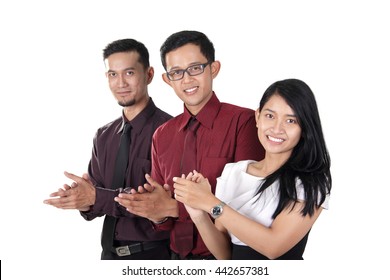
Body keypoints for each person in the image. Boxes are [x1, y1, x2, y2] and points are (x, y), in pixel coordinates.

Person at [114, 30, 265, 260]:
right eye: (176, 72)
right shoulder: (162, 135)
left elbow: (249, 205)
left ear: (213, 68)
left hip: (229, 259)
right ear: (167, 79)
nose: (186, 79)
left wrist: (175, 208)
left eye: (195, 68)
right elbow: (164, 221)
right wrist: (156, 212)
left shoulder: (243, 122)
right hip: (174, 257)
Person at [173, 78, 332, 260]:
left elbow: (273, 247)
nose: (277, 128)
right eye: (270, 116)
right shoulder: (233, 171)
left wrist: (210, 202)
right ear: (257, 117)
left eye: (290, 121)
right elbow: (224, 255)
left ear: (304, 128)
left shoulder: (310, 182)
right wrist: (199, 212)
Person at [43, 39, 172, 260]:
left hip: (153, 257)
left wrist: (96, 196)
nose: (120, 83)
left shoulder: (170, 131)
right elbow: (96, 201)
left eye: (129, 73)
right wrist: (80, 198)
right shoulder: (103, 135)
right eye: (113, 74)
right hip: (108, 255)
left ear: (149, 74)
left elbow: (155, 203)